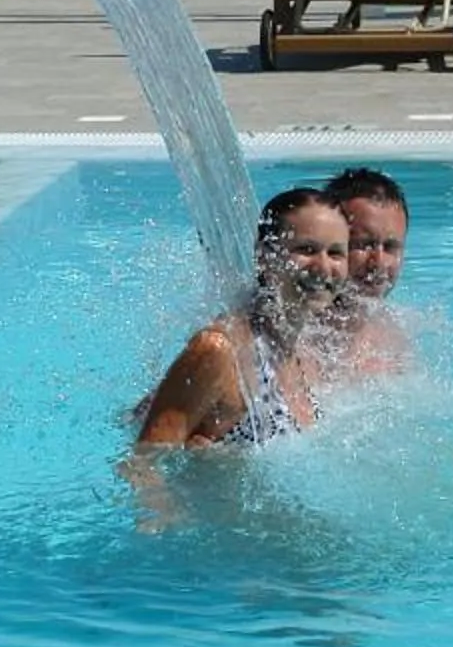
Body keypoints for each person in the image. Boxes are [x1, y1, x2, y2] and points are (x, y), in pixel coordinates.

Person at [129, 187, 354, 458]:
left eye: (336, 253)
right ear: (264, 256)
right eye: (306, 249)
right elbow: (142, 467)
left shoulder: (306, 351)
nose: (323, 267)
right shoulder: (220, 350)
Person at [323, 166, 413, 376]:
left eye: (390, 247)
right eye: (363, 245)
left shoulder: (391, 336)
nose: (379, 263)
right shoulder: (295, 339)